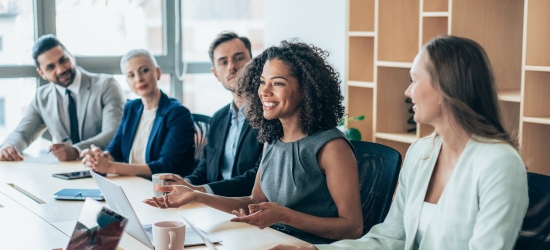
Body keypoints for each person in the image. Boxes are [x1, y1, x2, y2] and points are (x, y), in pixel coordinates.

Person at [274, 35, 529, 250]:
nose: (408, 92)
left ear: (446, 88)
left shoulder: (500, 163)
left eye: (414, 80)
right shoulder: (421, 153)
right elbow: (390, 237)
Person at [144, 40, 363, 244]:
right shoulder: (273, 138)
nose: (264, 92)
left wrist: (284, 215)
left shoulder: (332, 147)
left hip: (306, 247)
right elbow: (253, 201)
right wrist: (196, 195)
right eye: (262, 82)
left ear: (306, 89)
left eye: (277, 83)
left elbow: (352, 228)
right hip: (268, 240)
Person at [158, 31, 263, 196]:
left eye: (239, 58)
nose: (232, 67)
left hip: (248, 209)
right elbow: (206, 166)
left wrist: (198, 191)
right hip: (213, 206)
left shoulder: (268, 115)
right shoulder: (219, 118)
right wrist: (187, 182)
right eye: (223, 62)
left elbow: (257, 177)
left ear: (252, 62)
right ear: (215, 74)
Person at [0, 34, 125, 161]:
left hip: (108, 169)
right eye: (50, 67)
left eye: (63, 60)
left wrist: (77, 150)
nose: (60, 70)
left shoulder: (107, 85)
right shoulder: (42, 98)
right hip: (65, 172)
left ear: (71, 56)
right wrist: (8, 146)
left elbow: (113, 132)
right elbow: (23, 134)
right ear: (41, 73)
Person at [80, 49, 195, 178]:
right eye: (131, 75)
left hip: (163, 190)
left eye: (144, 71)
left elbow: (166, 166)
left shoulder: (177, 113)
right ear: (127, 82)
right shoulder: (131, 108)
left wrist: (111, 167)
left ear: (158, 72)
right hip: (132, 182)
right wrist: (100, 158)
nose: (139, 79)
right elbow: (115, 149)